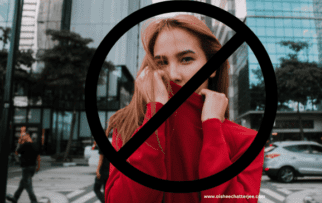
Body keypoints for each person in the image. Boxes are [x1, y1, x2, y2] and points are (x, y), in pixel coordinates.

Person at [104, 14, 264, 203]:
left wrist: (213, 128)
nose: (173, 75)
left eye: (186, 59)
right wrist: (155, 113)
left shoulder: (246, 141)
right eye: (162, 62)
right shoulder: (128, 128)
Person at [7, 129, 41, 203]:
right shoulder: (35, 145)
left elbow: (16, 152)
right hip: (33, 167)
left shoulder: (24, 145)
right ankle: (15, 198)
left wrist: (19, 142)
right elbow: (38, 157)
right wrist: (38, 167)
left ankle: (34, 200)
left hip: (26, 167)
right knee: (23, 183)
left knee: (28, 185)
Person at [94, 133, 111, 203]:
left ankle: (104, 201)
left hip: (103, 171)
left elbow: (101, 160)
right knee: (105, 190)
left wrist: (97, 170)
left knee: (96, 189)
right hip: (109, 171)